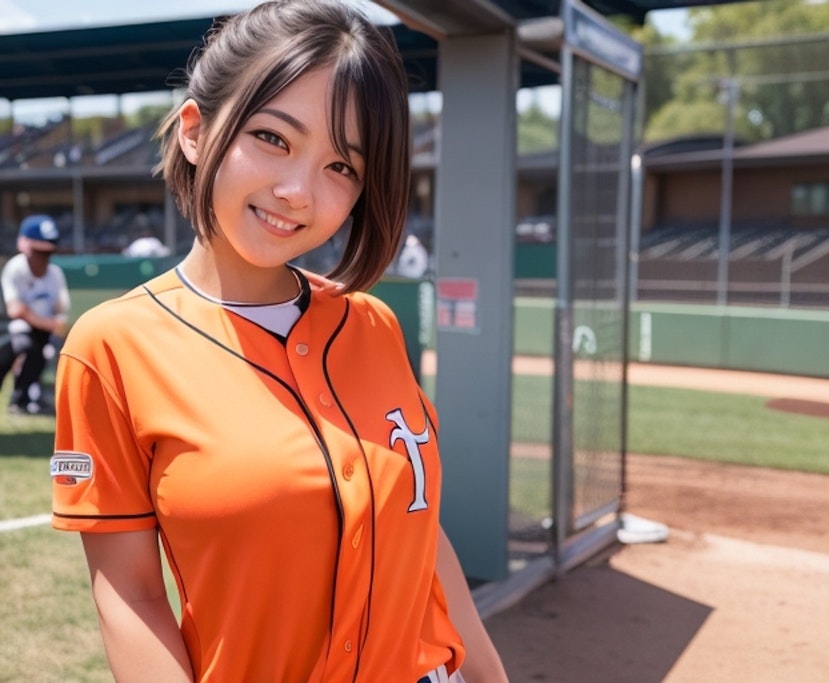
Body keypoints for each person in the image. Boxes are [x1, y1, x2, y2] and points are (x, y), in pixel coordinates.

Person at [49, 2, 509, 682]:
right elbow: (131, 595)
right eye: (272, 137)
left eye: (342, 167)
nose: (298, 191)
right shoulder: (111, 348)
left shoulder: (373, 325)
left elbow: (422, 536)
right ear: (197, 131)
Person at [0, 214, 70, 415]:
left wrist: (52, 327)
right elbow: (16, 311)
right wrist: (49, 324)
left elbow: (61, 308)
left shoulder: (55, 273)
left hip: (42, 334)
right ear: (24, 246)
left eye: (47, 253)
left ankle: (26, 399)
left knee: (44, 349)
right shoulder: (16, 268)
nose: (42, 258)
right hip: (11, 332)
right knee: (24, 345)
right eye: (38, 252)